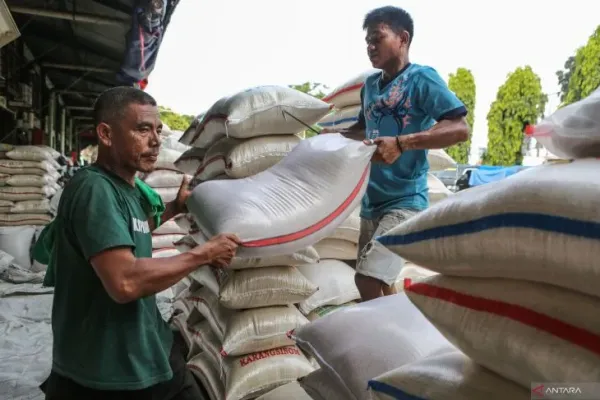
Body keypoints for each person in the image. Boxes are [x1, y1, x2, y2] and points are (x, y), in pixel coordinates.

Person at [42, 87, 240, 400]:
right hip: (107, 370)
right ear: (106, 134)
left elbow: (124, 233)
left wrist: (174, 208)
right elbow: (125, 282)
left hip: (146, 345)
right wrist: (203, 254)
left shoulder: (128, 189)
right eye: (143, 129)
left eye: (158, 130)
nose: (156, 140)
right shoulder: (95, 190)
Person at [322, 6, 469, 301]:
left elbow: (459, 128)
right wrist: (332, 139)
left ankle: (377, 330)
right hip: (371, 203)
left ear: (403, 38)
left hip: (406, 202)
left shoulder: (421, 79)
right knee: (383, 284)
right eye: (367, 41)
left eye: (377, 38)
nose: (370, 46)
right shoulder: (369, 87)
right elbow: (363, 129)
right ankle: (401, 325)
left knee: (366, 279)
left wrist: (402, 143)